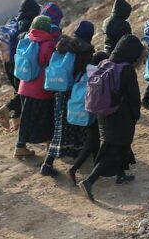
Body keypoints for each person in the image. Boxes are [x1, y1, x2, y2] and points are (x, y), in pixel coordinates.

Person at [78, 35, 144, 201]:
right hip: (120, 115)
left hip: (103, 113)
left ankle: (121, 175)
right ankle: (89, 181)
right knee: (114, 149)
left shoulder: (105, 63)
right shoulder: (126, 68)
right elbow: (133, 96)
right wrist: (136, 115)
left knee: (119, 146)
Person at [42, 20, 96, 176]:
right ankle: (77, 155)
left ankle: (49, 162)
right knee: (78, 122)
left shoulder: (64, 44)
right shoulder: (86, 50)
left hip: (59, 90)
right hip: (75, 91)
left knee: (60, 126)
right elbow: (87, 71)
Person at [15, 15, 57, 158]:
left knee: (25, 117)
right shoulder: (48, 43)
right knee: (45, 117)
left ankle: (20, 146)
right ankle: (49, 145)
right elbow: (51, 63)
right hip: (40, 89)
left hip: (24, 85)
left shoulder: (27, 39)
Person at [0, 0, 40, 130]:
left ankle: (16, 122)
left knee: (19, 91)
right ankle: (7, 109)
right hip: (19, 63)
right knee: (24, 93)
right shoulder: (28, 24)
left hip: (7, 62)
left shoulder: (12, 22)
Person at [66, 50, 107, 185]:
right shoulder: (98, 74)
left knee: (94, 141)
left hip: (81, 111)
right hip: (92, 113)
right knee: (91, 142)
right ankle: (73, 169)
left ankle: (96, 168)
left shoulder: (84, 72)